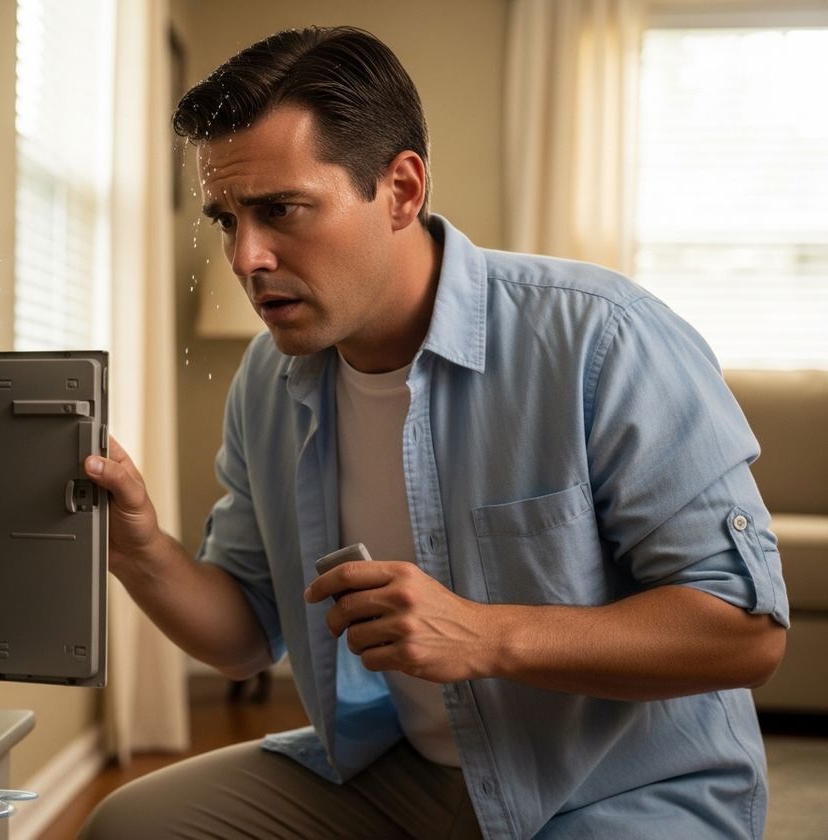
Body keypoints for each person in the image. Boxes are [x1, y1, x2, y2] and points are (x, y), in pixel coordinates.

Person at [79, 25, 788, 839]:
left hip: (617, 789)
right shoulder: (269, 382)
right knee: (130, 826)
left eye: (280, 210)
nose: (246, 258)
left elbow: (746, 635)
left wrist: (486, 635)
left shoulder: (603, 338)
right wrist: (138, 548)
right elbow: (244, 636)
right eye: (226, 219)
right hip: (401, 773)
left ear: (402, 190)